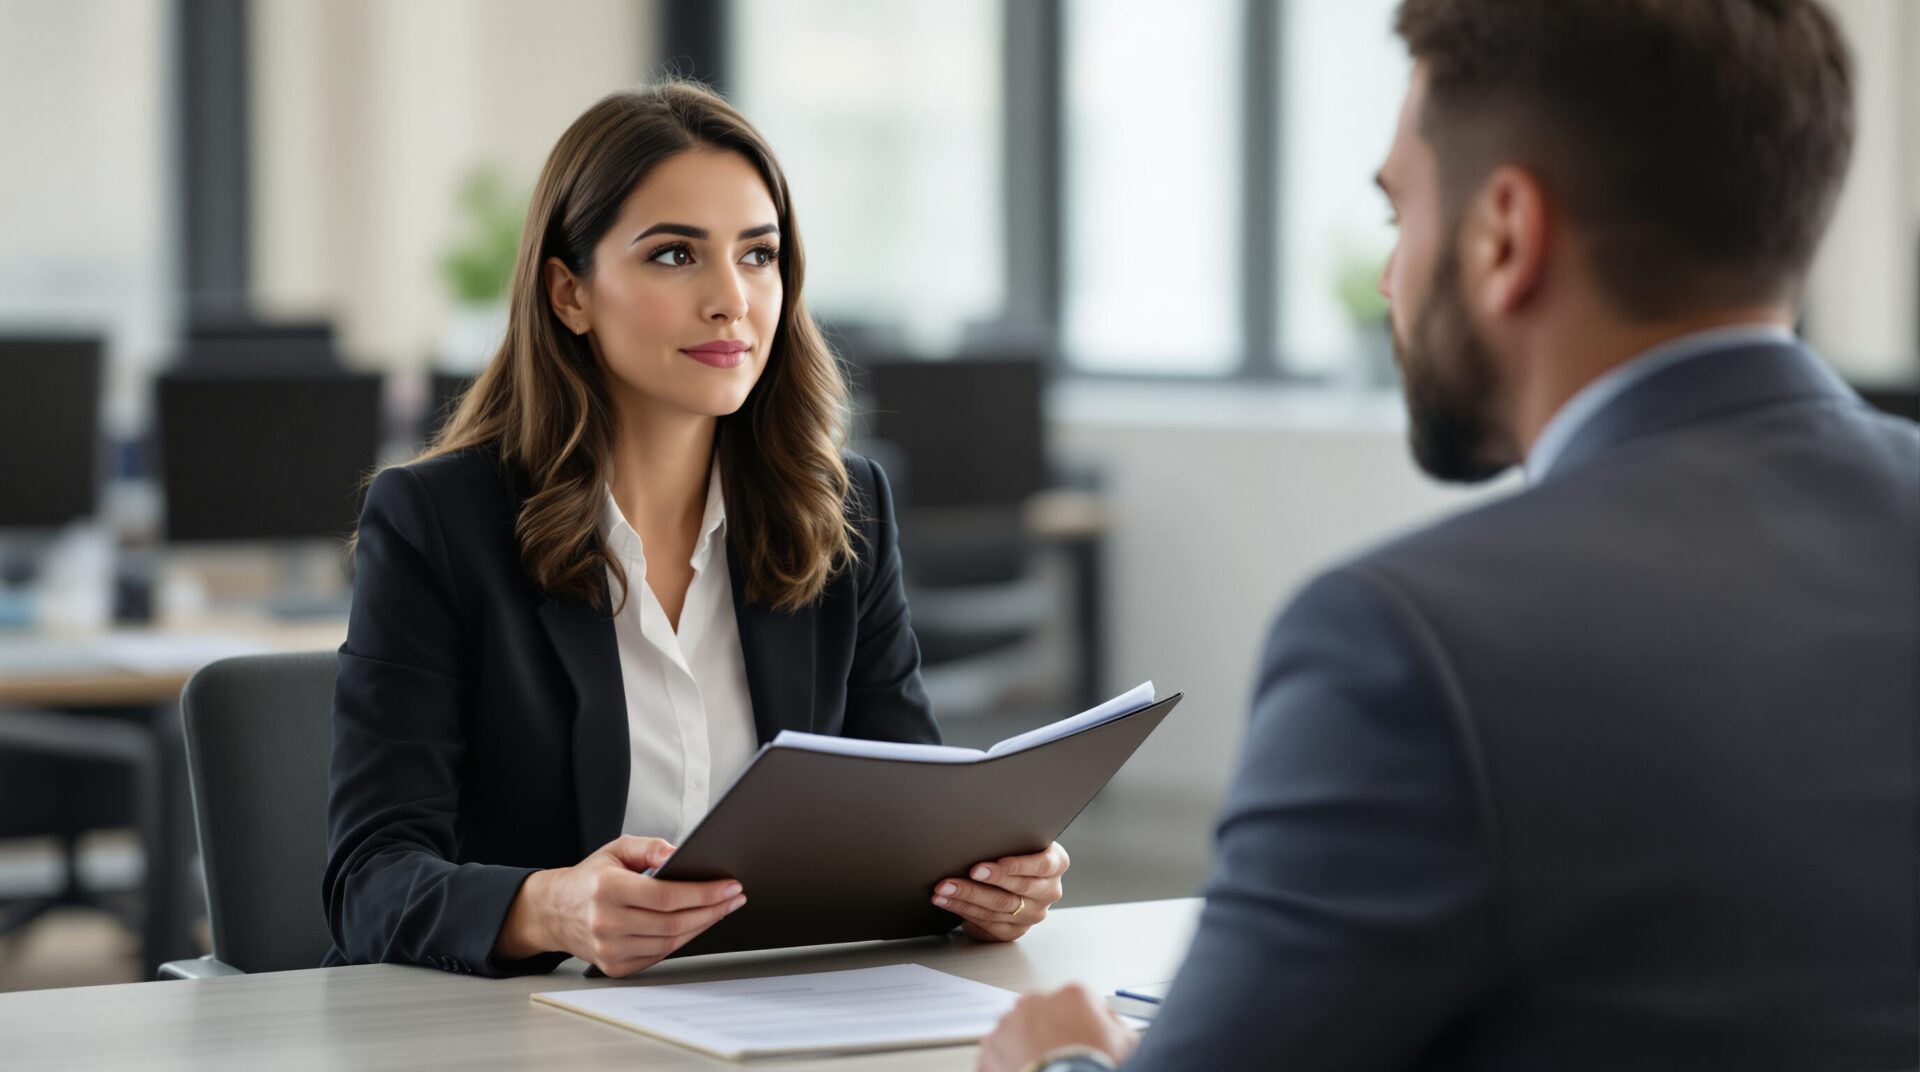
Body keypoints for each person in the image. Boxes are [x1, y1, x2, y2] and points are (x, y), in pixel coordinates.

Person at [981, 1, 1917, 1068]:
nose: (1390, 278)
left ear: (1503, 236)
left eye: (1399, 215)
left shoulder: (1406, 646)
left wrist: (1061, 1061)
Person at [322, 82, 1070, 980]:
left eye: (758, 255)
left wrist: (983, 883)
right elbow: (369, 882)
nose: (731, 300)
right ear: (569, 293)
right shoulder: (436, 522)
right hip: (521, 1024)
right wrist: (550, 909)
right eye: (675, 255)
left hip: (769, 1012)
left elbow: (910, 817)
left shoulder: (844, 511)